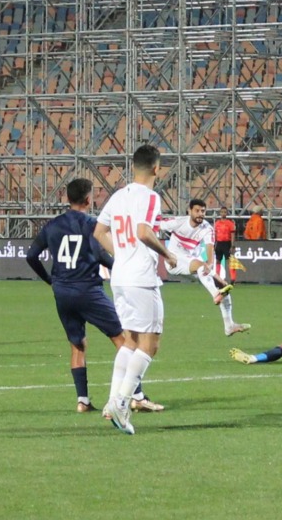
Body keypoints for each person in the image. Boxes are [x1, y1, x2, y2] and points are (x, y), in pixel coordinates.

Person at [25, 178, 162, 413]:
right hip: (88, 290)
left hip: (62, 292)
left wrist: (50, 280)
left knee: (77, 345)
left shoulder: (53, 225)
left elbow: (31, 256)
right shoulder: (91, 224)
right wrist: (119, 265)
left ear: (67, 198)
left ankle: (83, 401)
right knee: (124, 339)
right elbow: (100, 254)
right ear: (89, 199)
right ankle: (136, 396)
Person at [93, 145, 178, 435]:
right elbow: (143, 232)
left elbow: (99, 232)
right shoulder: (151, 197)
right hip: (141, 278)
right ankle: (122, 403)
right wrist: (167, 254)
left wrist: (121, 255)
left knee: (129, 341)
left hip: (120, 277)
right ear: (156, 168)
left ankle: (111, 400)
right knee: (149, 344)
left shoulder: (118, 195)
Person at [160, 199, 250, 337]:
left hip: (194, 264)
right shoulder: (177, 222)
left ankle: (229, 325)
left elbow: (209, 250)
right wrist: (164, 254)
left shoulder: (207, 228)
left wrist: (211, 266)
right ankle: (215, 294)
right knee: (203, 269)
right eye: (197, 211)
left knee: (223, 286)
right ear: (189, 211)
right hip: (174, 261)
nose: (200, 214)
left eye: (203, 211)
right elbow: (152, 227)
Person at [213, 206, 237, 284]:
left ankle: (233, 278)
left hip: (227, 243)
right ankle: (217, 278)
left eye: (225, 212)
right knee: (218, 261)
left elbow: (232, 234)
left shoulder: (230, 223)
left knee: (229, 261)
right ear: (220, 213)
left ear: (226, 213)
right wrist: (214, 244)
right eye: (222, 212)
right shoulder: (217, 223)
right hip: (219, 243)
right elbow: (215, 235)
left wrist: (232, 245)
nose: (223, 213)